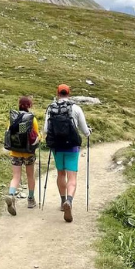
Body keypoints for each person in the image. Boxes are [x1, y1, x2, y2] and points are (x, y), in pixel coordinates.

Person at [44, 84, 91, 223]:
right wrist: (89, 132)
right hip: (71, 146)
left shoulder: (50, 108)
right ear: (68, 94)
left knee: (60, 174)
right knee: (72, 176)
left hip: (57, 147)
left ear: (57, 93)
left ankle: (62, 201)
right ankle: (69, 201)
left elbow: (46, 129)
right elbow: (84, 130)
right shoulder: (75, 108)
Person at [5, 96, 40, 215]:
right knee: (30, 176)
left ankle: (11, 195)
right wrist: (40, 138)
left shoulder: (13, 117)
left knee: (16, 176)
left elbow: (11, 132)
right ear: (29, 106)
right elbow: (34, 136)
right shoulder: (31, 119)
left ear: (19, 104)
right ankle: (30, 199)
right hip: (28, 152)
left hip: (15, 151)